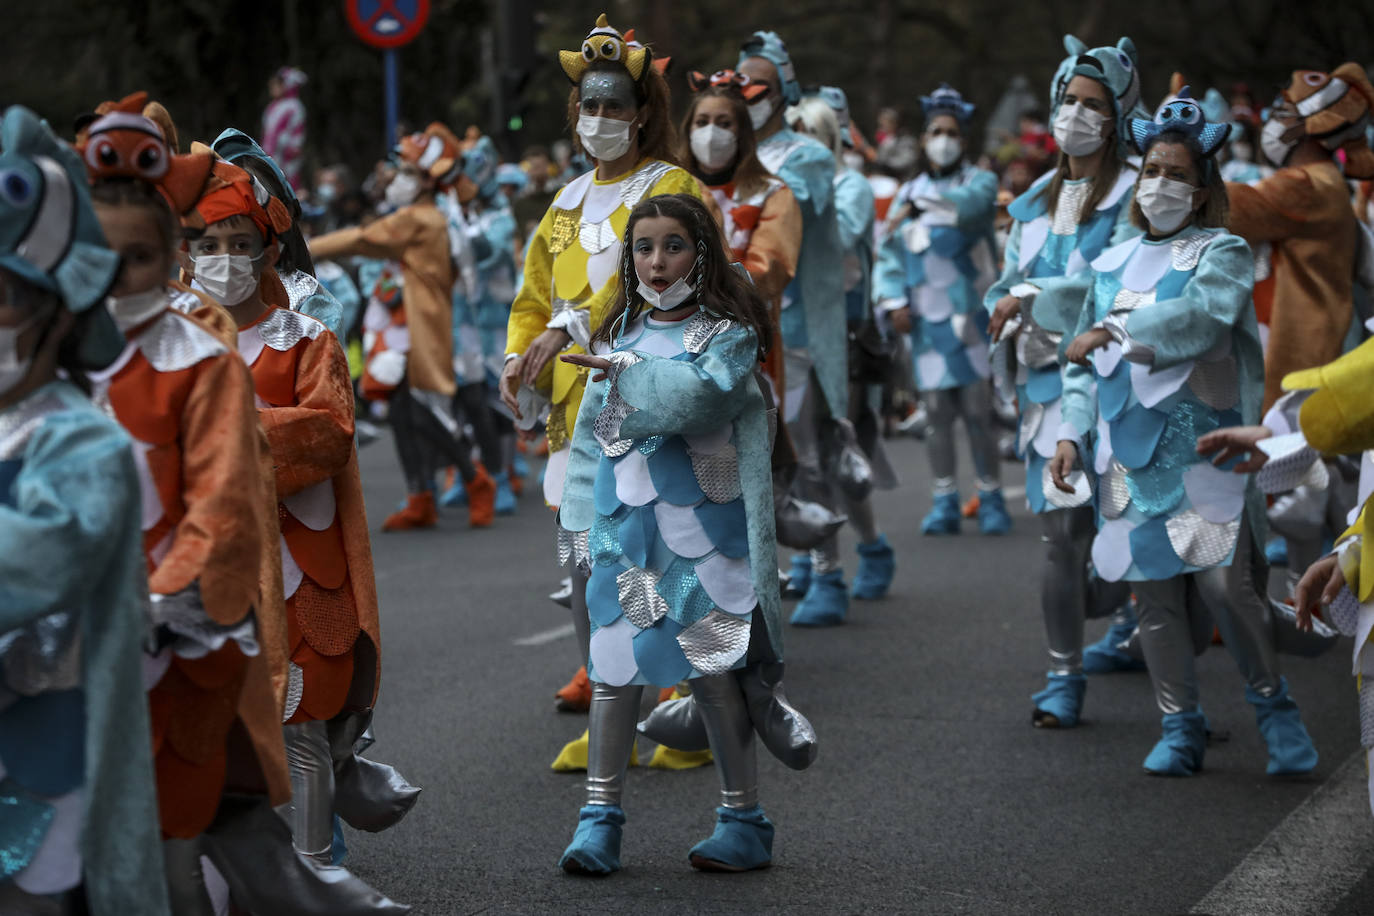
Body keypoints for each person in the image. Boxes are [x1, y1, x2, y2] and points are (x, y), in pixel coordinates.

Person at [1047, 89, 1319, 776]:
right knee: (1155, 598)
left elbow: (1202, 318)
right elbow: (1080, 368)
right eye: (1152, 171)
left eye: (1176, 174)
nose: (1160, 183)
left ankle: (1275, 710)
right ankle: (1179, 724)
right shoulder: (1109, 263)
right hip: (1128, 457)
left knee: (1228, 591)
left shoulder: (1221, 252)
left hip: (1205, 455)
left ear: (1200, 192)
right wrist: (1071, 433)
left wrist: (1114, 330)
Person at [78, 95, 298, 912]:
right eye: (94, 258)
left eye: (135, 258)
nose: (113, 278)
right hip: (55, 654)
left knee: (174, 860)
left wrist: (160, 601)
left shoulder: (201, 360)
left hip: (166, 646)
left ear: (172, 253)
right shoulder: (43, 353)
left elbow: (223, 505)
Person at [555, 192, 807, 874]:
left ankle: (744, 820)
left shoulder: (730, 334)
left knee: (714, 672)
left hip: (708, 533)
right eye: (643, 247)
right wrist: (575, 523)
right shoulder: (616, 336)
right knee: (613, 670)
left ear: (702, 254)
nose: (657, 261)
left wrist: (625, 371)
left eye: (674, 245)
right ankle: (598, 821)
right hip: (624, 531)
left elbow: (702, 396)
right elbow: (589, 442)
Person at [180, 161, 415, 883]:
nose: (224, 261)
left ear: (269, 250)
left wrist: (222, 431)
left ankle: (316, 878)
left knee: (302, 729)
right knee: (206, 730)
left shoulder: (306, 338)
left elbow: (327, 433)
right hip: (202, 569)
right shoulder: (170, 341)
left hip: (297, 567)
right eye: (208, 246)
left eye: (239, 244)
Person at [497, 13, 707, 766]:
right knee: (587, 565)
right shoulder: (563, 204)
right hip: (576, 416)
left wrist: (570, 328)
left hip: (653, 402)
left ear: (643, 112)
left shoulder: (672, 186)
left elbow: (654, 277)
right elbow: (532, 298)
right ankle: (608, 716)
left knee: (668, 552)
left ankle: (689, 710)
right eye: (589, 104)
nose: (600, 117)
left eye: (615, 104)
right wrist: (519, 356)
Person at [0, 103, 171, 916]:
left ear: (61, 308)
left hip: (47, 760)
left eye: (3, 294)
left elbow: (40, 560)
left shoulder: (86, 445)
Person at [984, 34, 1143, 727]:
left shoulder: (1141, 195)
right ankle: (1063, 675)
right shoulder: (1034, 200)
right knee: (1060, 534)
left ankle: (1140, 628)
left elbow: (1117, 285)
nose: (1076, 114)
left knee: (1130, 528)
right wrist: (1001, 305)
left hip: (1125, 386)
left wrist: (1031, 295)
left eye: (1093, 103)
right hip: (1048, 389)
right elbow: (1005, 281)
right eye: (1069, 100)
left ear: (1119, 115)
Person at [313, 122, 498, 531]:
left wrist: (302, 248)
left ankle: (475, 479)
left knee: (418, 414)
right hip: (401, 326)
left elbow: (362, 238)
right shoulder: (423, 215)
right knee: (401, 414)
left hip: (417, 330)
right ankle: (422, 497)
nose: (398, 179)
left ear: (428, 180)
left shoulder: (422, 219)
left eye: (408, 172)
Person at [736, 30, 855, 625]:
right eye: (740, 82)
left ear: (784, 90)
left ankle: (829, 572)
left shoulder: (806, 156)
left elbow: (783, 216)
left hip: (797, 328)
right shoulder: (724, 155)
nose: (748, 94)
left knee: (802, 455)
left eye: (760, 84)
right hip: (734, 331)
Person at [875, 83, 1007, 536]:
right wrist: (893, 301)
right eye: (936, 132)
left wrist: (920, 207)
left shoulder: (979, 183)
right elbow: (888, 252)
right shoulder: (908, 191)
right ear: (924, 138)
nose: (943, 140)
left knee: (977, 412)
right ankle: (944, 498)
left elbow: (971, 210)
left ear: (964, 140)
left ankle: (991, 495)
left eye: (951, 132)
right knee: (936, 415)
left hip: (972, 316)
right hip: (925, 321)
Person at [790, 86, 899, 598]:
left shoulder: (850, 185)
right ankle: (814, 559)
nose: (801, 144)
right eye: (795, 134)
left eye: (811, 134)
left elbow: (841, 236)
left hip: (843, 336)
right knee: (798, 456)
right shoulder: (778, 188)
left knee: (836, 457)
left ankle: (866, 550)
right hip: (790, 333)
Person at [679, 67, 800, 406]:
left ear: (743, 132)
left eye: (724, 123)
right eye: (702, 122)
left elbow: (770, 268)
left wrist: (703, 287)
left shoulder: (773, 193)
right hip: (673, 336)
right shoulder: (671, 187)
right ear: (688, 129)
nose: (711, 132)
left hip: (747, 339)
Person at [439, 135, 521, 514]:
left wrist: (458, 228)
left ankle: (503, 476)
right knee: (463, 401)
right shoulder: (449, 212)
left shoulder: (500, 217)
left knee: (496, 399)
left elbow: (491, 250)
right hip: (460, 323)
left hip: (495, 324)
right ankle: (468, 475)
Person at [213, 127, 347, 335]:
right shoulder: (188, 306)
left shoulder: (312, 307)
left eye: (255, 211)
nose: (237, 227)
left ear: (285, 215)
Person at [262, 66, 307, 191]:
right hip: (271, 152)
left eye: (276, 85)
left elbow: (297, 130)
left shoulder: (294, 106)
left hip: (286, 154)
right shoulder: (272, 107)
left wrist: (293, 147)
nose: (272, 88)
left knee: (286, 183)